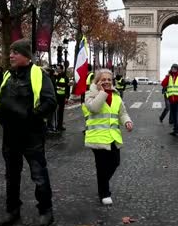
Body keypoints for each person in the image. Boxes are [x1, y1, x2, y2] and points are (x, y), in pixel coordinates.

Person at [0, 39, 57, 226]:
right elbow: (1, 100)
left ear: (26, 56)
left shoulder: (39, 74)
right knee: (11, 175)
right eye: (11, 52)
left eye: (15, 52)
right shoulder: (8, 75)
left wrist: (31, 117)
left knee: (38, 175)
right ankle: (12, 210)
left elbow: (50, 101)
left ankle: (46, 211)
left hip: (32, 134)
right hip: (10, 134)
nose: (10, 55)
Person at [82, 69, 133, 205]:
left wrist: (127, 121)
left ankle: (102, 184)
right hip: (97, 136)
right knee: (102, 166)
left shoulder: (116, 96)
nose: (106, 82)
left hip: (112, 136)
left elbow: (122, 113)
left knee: (115, 162)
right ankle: (104, 193)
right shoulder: (90, 94)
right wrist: (102, 93)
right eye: (103, 79)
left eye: (109, 80)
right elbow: (94, 108)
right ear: (97, 82)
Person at [161, 64, 178, 137]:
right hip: (171, 100)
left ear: (177, 69)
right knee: (174, 116)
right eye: (172, 68)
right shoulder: (169, 77)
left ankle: (177, 131)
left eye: (174, 69)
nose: (173, 70)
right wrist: (167, 75)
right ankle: (175, 130)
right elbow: (163, 84)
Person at [54, 64, 70, 131]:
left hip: (62, 97)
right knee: (55, 112)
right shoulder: (56, 77)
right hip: (56, 96)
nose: (57, 70)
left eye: (58, 68)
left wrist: (67, 97)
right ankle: (55, 125)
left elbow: (67, 88)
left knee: (60, 112)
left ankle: (59, 126)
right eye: (56, 68)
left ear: (61, 69)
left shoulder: (65, 78)